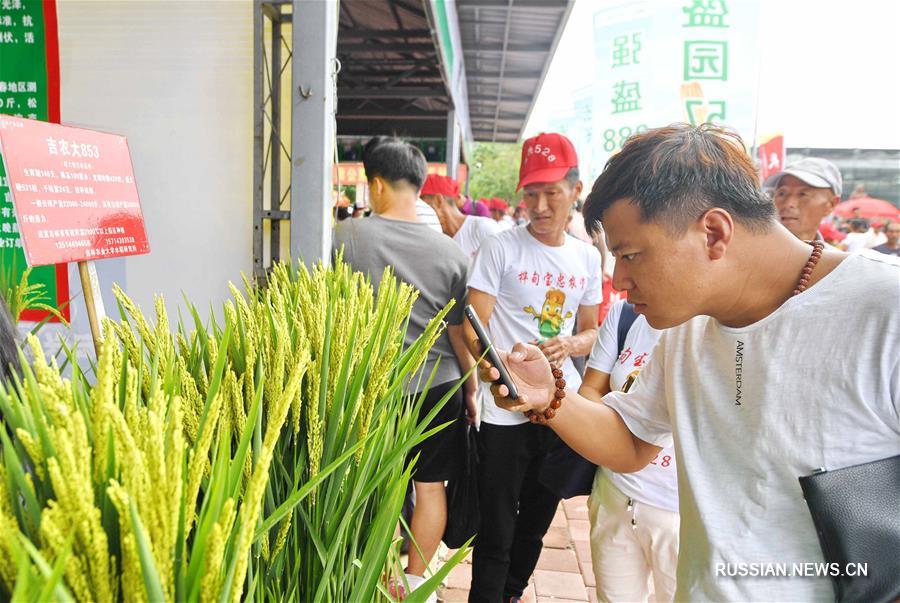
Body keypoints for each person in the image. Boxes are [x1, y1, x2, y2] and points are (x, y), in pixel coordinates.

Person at [477, 124, 899, 601]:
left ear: (714, 233)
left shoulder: (885, 314)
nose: (619, 280)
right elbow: (633, 439)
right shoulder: (683, 326)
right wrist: (551, 398)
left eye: (631, 255)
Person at [332, 136, 476, 601]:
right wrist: (471, 389)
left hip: (375, 387)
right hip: (440, 386)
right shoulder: (452, 253)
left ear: (374, 184)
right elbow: (459, 332)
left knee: (376, 483)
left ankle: (371, 573)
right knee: (431, 487)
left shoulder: (345, 238)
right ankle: (417, 586)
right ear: (417, 185)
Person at [464, 132, 602, 603]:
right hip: (506, 411)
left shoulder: (586, 256)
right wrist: (490, 368)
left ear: (575, 190)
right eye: (530, 194)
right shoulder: (500, 248)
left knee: (539, 517)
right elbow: (472, 324)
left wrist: (570, 343)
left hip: (561, 408)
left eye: (551, 193)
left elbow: (592, 330)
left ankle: (513, 592)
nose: (539, 206)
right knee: (497, 521)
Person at [580, 300, 678, 602]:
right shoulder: (626, 313)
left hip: (681, 512)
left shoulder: (714, 324)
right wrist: (623, 440)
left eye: (632, 255)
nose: (621, 276)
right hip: (616, 495)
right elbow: (590, 389)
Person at [420, 174, 502, 262]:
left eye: (423, 205)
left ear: (438, 200)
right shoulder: (437, 240)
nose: (419, 210)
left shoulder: (483, 227)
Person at [764, 157, 841, 242]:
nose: (789, 204)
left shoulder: (840, 255)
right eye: (782, 193)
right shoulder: (750, 252)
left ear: (831, 205)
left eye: (803, 194)